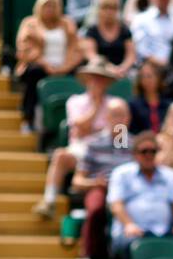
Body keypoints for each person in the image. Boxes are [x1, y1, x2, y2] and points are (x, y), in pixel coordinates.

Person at [34, 55, 117, 219]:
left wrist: (118, 149)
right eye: (94, 78)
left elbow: (121, 132)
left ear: (107, 82)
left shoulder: (117, 104)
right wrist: (96, 105)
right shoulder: (75, 101)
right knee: (60, 156)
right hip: (81, 151)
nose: (97, 82)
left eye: (101, 79)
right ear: (87, 80)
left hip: (109, 153)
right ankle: (49, 201)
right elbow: (80, 128)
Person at [106, 129, 173, 259]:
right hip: (132, 232)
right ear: (135, 154)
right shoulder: (121, 173)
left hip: (163, 231)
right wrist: (129, 225)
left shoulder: (169, 175)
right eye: (144, 151)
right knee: (132, 246)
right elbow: (116, 205)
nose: (149, 155)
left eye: (153, 151)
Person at [72, 96, 138, 259]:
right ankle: (90, 256)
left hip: (129, 192)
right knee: (95, 208)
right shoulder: (94, 143)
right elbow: (77, 180)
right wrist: (95, 183)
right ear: (107, 118)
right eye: (114, 115)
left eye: (122, 115)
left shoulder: (136, 145)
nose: (119, 120)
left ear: (129, 118)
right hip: (101, 187)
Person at [14, 0, 81, 135]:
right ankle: (28, 118)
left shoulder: (68, 23)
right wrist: (46, 64)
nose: (50, 9)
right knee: (34, 73)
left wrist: (64, 67)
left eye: (53, 5)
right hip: (39, 66)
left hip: (64, 67)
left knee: (82, 74)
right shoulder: (29, 23)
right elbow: (24, 49)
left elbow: (76, 49)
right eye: (47, 5)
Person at [79, 0, 135, 77]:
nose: (109, 12)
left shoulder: (125, 30)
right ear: (99, 9)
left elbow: (131, 55)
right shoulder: (92, 30)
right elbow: (91, 55)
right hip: (98, 72)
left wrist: (122, 68)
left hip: (122, 73)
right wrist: (108, 68)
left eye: (113, 8)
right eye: (105, 7)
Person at [128, 56, 172, 135]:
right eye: (143, 77)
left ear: (158, 78)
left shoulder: (169, 104)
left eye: (150, 76)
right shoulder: (133, 105)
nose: (147, 80)